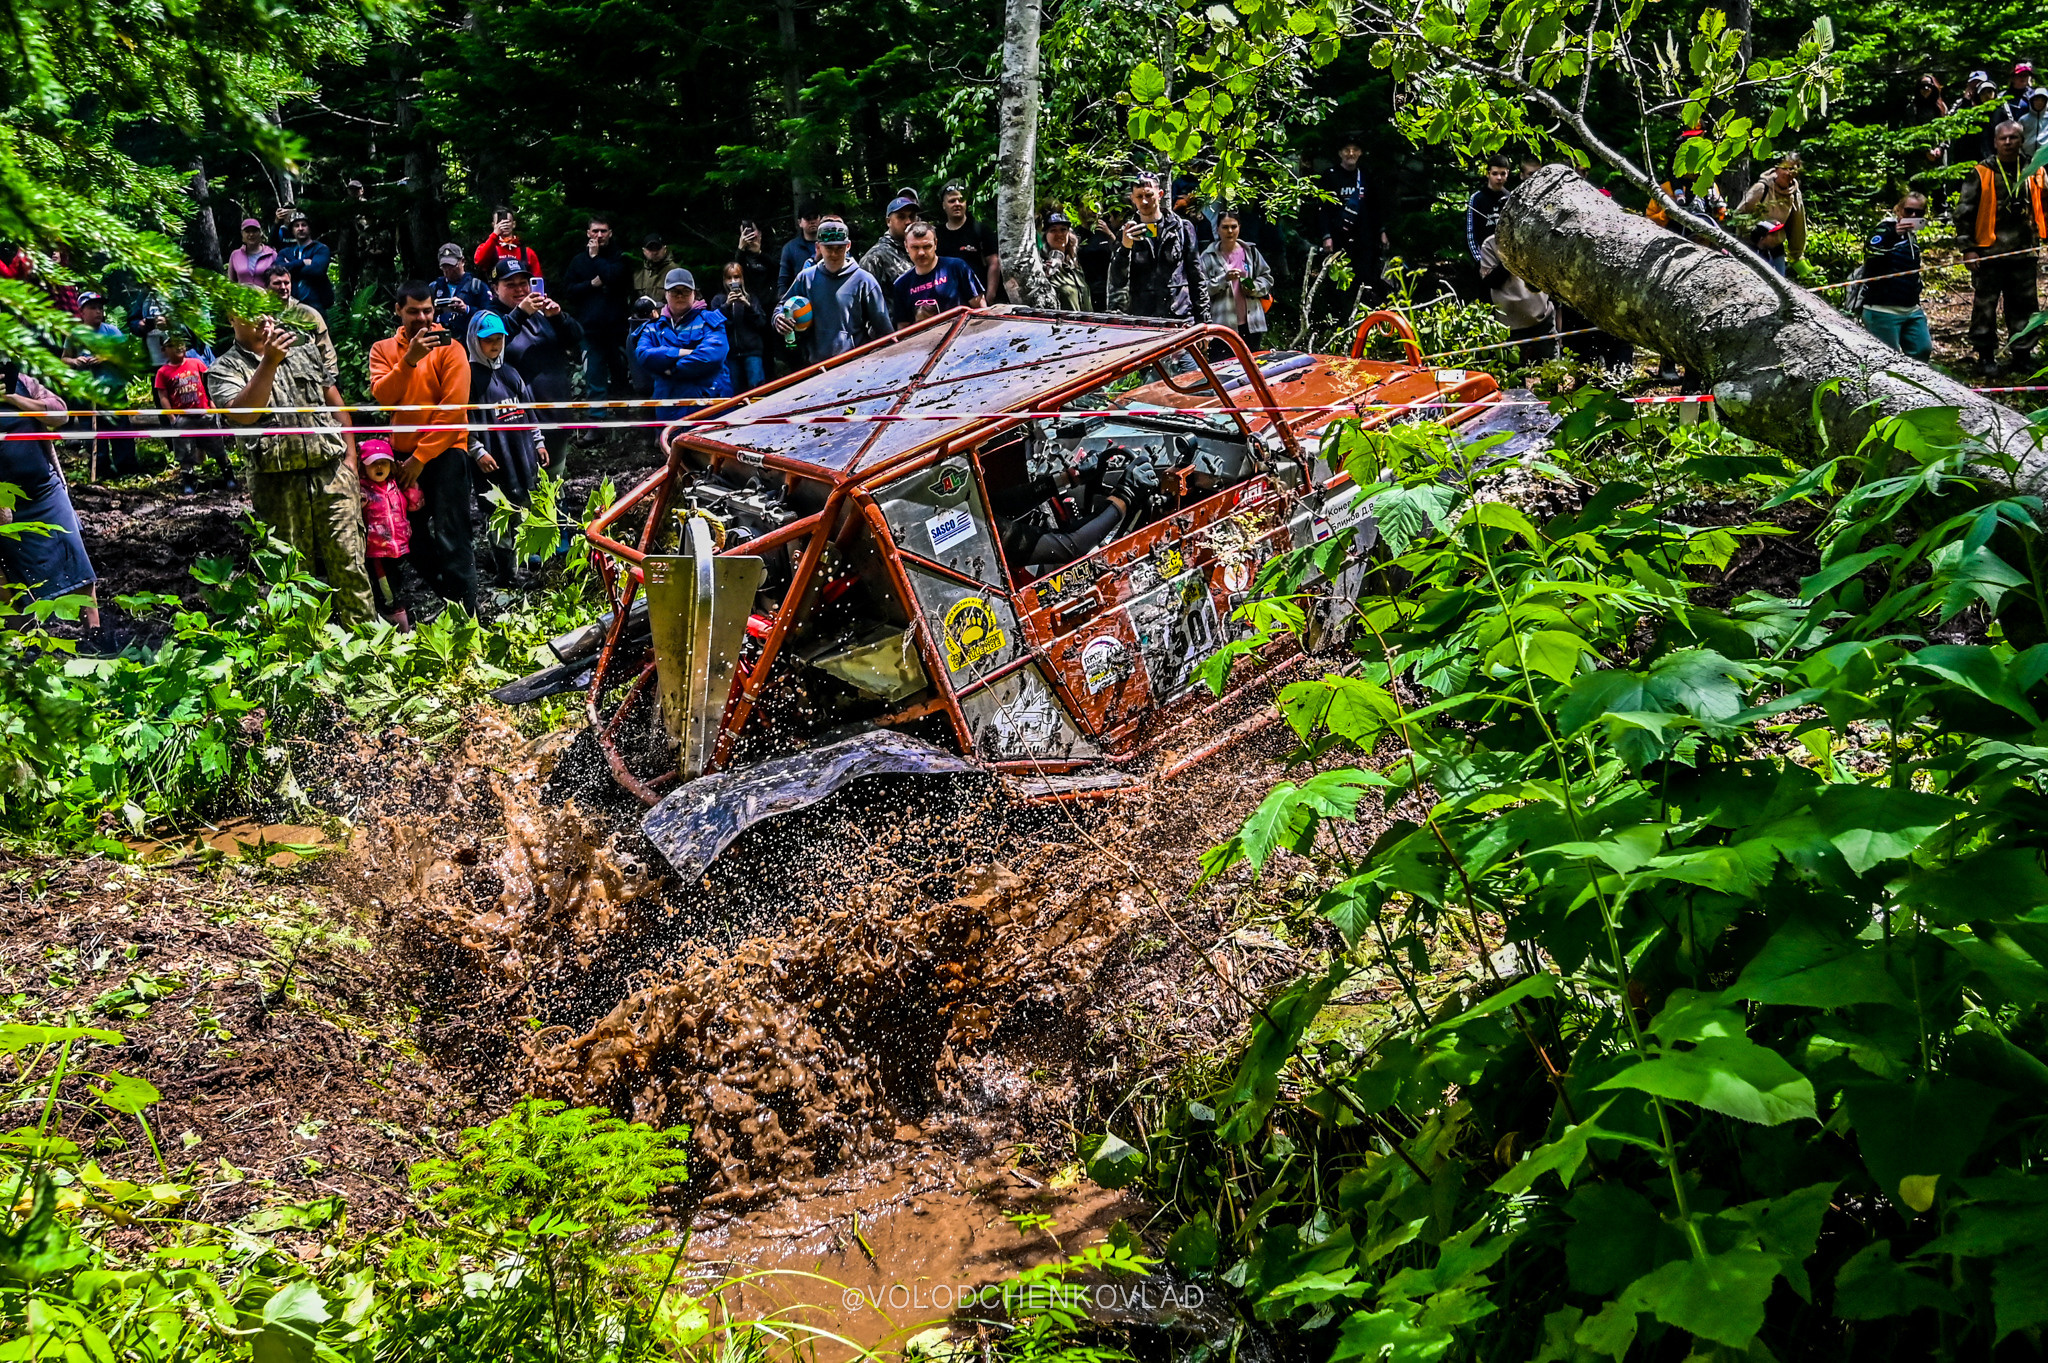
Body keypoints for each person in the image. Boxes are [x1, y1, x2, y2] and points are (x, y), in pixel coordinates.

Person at [208, 309, 375, 623]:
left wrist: (351, 458)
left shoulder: (305, 351)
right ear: (232, 317)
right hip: (277, 484)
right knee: (291, 574)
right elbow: (243, 415)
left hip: (331, 474)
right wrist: (268, 362)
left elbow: (334, 402)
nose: (264, 321)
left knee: (350, 562)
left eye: (267, 315)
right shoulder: (223, 368)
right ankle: (302, 656)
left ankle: (367, 648)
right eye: (252, 316)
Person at [368, 282, 475, 614]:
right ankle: (447, 597)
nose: (423, 318)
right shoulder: (382, 349)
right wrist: (410, 360)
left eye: (428, 310)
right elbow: (384, 396)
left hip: (446, 454)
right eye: (413, 311)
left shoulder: (451, 348)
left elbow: (454, 408)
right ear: (399, 311)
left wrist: (421, 457)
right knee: (407, 537)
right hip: (401, 459)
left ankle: (467, 617)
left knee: (453, 535)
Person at [0, 357, 101, 634]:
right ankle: (23, 644)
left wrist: (16, 400)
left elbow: (60, 414)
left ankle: (95, 634)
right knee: (8, 575)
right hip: (2, 502)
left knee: (75, 557)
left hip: (44, 489)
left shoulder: (23, 383)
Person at [1953, 120, 2048, 376]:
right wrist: (1968, 248)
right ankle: (1985, 357)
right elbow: (1964, 212)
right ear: (1995, 142)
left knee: (2025, 306)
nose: (2008, 143)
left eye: (2013, 138)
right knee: (1985, 307)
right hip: (1988, 252)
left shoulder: (2034, 169)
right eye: (2003, 139)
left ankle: (2022, 355)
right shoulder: (1982, 171)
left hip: (2024, 251)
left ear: (2021, 140)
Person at [467, 312, 551, 587]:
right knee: (498, 516)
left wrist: (538, 441)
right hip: (493, 460)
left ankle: (522, 564)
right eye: (488, 341)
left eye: (499, 339)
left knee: (523, 510)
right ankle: (507, 573)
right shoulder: (468, 380)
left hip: (522, 457)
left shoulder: (511, 373)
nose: (494, 345)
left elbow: (529, 410)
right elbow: (460, 422)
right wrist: (477, 450)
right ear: (474, 341)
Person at [482, 257, 582, 464]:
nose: (519, 290)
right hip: (520, 420)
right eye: (510, 285)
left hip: (557, 412)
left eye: (523, 283)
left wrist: (558, 317)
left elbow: (576, 338)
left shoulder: (541, 311)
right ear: (495, 288)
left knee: (555, 481)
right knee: (527, 486)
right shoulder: (488, 317)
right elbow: (490, 348)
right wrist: (520, 314)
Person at [777, 218, 891, 360]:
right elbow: (782, 306)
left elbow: (884, 330)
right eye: (829, 248)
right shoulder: (806, 278)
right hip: (817, 366)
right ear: (818, 247)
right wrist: (779, 318)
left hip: (857, 362)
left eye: (839, 248)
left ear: (848, 246)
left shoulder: (864, 280)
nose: (834, 254)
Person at [636, 267, 733, 421]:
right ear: (666, 294)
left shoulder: (711, 321)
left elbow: (710, 356)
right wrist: (682, 352)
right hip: (668, 406)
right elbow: (644, 355)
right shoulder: (653, 328)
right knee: (669, 443)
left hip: (708, 406)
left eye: (685, 291)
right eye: (674, 291)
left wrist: (672, 369)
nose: (680, 296)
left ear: (694, 293)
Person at [1109, 173, 1208, 322]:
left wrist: (1204, 322)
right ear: (1133, 199)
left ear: (1160, 194)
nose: (1144, 201)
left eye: (1149, 195)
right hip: (1144, 320)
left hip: (1180, 317)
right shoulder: (1127, 232)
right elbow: (1117, 281)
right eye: (1139, 196)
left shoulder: (1182, 228)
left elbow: (1197, 277)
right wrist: (1125, 248)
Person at [561, 215, 632, 413]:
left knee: (620, 373)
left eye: (603, 231)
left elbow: (612, 277)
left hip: (617, 328)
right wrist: (590, 285)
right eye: (595, 231)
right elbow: (568, 290)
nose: (599, 235)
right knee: (594, 375)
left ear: (610, 233)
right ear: (588, 233)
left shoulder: (620, 257)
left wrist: (595, 258)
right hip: (590, 329)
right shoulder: (578, 261)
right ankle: (596, 421)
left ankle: (624, 420)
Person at [63, 292, 136, 481]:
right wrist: (75, 361)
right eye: (93, 308)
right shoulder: (75, 335)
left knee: (120, 429)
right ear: (82, 312)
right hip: (87, 393)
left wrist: (106, 358)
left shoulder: (112, 332)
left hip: (113, 391)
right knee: (93, 433)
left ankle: (127, 469)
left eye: (100, 308)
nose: (98, 311)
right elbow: (64, 359)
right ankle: (101, 468)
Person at [153, 329, 235, 494]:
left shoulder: (196, 363)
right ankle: (189, 482)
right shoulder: (162, 372)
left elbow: (207, 385)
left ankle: (229, 477)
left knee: (217, 447)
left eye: (181, 343)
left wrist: (213, 406)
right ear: (164, 349)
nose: (178, 347)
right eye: (172, 345)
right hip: (183, 419)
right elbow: (163, 396)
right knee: (185, 452)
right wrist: (171, 417)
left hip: (205, 414)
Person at [1860, 192, 1933, 362]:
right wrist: (1892, 235)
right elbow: (1871, 252)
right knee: (1887, 361)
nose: (1913, 216)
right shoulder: (1884, 228)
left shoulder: (1911, 236)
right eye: (1909, 211)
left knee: (1922, 349)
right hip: (1882, 308)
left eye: (1919, 213)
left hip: (1911, 307)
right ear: (1899, 210)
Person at [358, 437, 422, 629]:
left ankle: (400, 624)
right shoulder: (363, 490)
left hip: (400, 548)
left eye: (384, 463)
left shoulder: (395, 486)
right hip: (377, 552)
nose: (379, 467)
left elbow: (415, 505)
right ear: (364, 467)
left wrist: (412, 489)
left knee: (400, 586)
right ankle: (400, 628)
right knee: (389, 593)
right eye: (373, 464)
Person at [1317, 135, 1387, 299]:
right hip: (1338, 238)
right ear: (1340, 153)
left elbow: (1375, 207)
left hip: (1363, 239)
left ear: (1360, 153)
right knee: (1338, 283)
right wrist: (1326, 235)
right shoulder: (1330, 176)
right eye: (1347, 150)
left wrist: (1382, 231)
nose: (1351, 153)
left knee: (1364, 279)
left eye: (1354, 150)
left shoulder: (1365, 176)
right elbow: (1322, 209)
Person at [1477, 231, 1556, 366]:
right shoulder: (1490, 243)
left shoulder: (1536, 238)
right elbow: (1490, 282)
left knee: (1551, 369)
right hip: (1511, 324)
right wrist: (1510, 258)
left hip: (1542, 317)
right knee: (1514, 374)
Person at [1198, 211, 1274, 350]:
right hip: (1222, 327)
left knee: (1252, 366)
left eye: (1234, 227)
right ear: (1218, 229)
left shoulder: (1250, 251)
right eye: (1225, 227)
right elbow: (1201, 290)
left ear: (1239, 227)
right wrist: (1224, 279)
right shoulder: (1208, 256)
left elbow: (1267, 278)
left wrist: (1254, 288)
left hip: (1252, 325)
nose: (1230, 231)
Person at [889, 222, 984, 327]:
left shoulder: (956, 267)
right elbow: (903, 329)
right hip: (925, 341)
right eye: (915, 247)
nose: (921, 252)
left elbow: (981, 308)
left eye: (926, 246)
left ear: (936, 244)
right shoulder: (901, 285)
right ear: (906, 246)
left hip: (961, 337)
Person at [266, 264, 340, 383]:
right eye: (277, 283)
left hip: (309, 380)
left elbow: (326, 348)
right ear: (267, 287)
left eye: (287, 283)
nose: (283, 287)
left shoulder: (308, 314)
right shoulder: (262, 317)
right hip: (274, 381)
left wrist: (330, 378)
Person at [1734, 154, 1807, 275]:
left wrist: (1797, 255)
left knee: (1779, 286)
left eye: (1793, 169)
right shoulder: (1761, 188)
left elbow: (1797, 228)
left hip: (1776, 249)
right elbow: (1738, 215)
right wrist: (1756, 232)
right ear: (1776, 169)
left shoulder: (1794, 195)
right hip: (1750, 247)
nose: (1788, 173)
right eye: (1785, 168)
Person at [933, 183, 1001, 301]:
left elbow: (994, 262)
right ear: (944, 205)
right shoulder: (936, 234)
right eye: (952, 201)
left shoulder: (980, 229)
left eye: (961, 200)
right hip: (948, 301)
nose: (957, 204)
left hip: (978, 299)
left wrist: (990, 296)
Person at [716, 261, 771, 393]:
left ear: (742, 278)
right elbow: (715, 324)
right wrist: (727, 305)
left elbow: (761, 323)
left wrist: (748, 306)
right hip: (730, 353)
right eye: (729, 278)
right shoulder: (718, 300)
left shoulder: (751, 298)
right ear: (724, 280)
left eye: (736, 277)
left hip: (752, 351)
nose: (733, 281)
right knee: (733, 390)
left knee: (757, 389)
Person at [278, 212, 334, 315]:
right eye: (296, 226)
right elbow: (277, 270)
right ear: (292, 230)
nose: (300, 228)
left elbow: (317, 270)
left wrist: (290, 269)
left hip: (317, 304)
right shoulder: (286, 252)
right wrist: (302, 262)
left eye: (304, 225)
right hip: (292, 304)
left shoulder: (320, 249)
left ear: (309, 228)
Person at [861, 195, 920, 289]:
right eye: (901, 217)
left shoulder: (922, 249)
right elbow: (866, 298)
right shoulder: (875, 257)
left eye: (912, 216)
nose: (908, 221)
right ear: (889, 222)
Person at [1039, 211, 1092, 312]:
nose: (1059, 234)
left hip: (1084, 326)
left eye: (1063, 230)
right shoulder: (1042, 266)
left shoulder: (1075, 266)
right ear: (1045, 235)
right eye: (1053, 230)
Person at [472, 207, 543, 281]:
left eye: (508, 222)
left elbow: (537, 279)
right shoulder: (489, 248)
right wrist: (495, 235)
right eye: (499, 222)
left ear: (514, 224)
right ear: (493, 225)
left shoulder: (527, 252)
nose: (504, 225)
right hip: (496, 291)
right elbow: (479, 261)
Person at [1466, 155, 1512, 261]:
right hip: (1485, 261)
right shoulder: (1477, 199)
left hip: (1507, 263)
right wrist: (1480, 261)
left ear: (1507, 174)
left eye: (1502, 174)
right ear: (1488, 174)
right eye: (1495, 173)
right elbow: (1471, 234)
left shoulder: (1511, 199)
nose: (1499, 178)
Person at [431, 242, 492, 320]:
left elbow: (490, 315)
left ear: (463, 261)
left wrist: (466, 309)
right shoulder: (435, 287)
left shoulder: (477, 286)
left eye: (452, 265)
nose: (448, 270)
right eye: (444, 266)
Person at [1078, 206, 1122, 311]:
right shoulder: (1077, 234)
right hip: (1086, 287)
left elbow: (1120, 252)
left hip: (1106, 288)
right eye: (1089, 208)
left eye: (1096, 209)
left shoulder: (1106, 230)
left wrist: (1109, 234)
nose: (1093, 213)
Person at [777, 202, 823, 299]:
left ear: (820, 219)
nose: (812, 221)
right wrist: (784, 304)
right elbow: (783, 282)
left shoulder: (830, 245)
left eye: (815, 217)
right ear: (799, 223)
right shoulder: (790, 248)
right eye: (808, 218)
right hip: (801, 302)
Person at [227, 218, 278, 287]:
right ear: (242, 234)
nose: (251, 234)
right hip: (241, 296)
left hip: (266, 296)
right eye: (247, 231)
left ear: (260, 233)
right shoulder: (235, 255)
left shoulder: (272, 254)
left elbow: (278, 280)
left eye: (254, 231)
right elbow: (231, 282)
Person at [635, 234, 678, 301]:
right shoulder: (638, 272)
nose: (654, 252)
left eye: (657, 248)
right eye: (650, 249)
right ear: (644, 251)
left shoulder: (675, 271)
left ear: (665, 249)